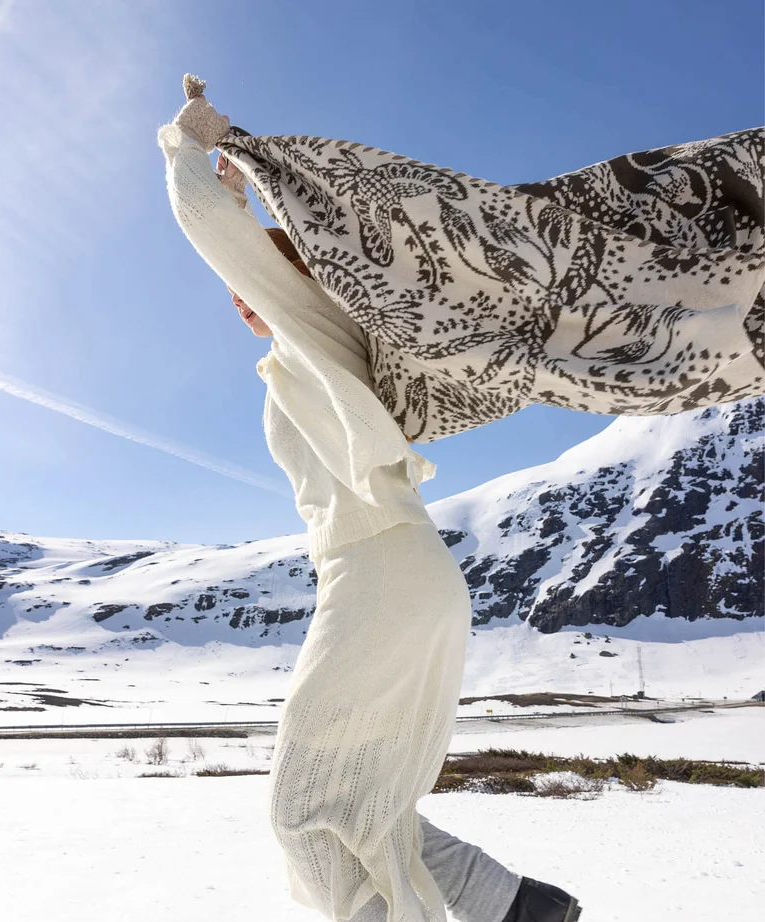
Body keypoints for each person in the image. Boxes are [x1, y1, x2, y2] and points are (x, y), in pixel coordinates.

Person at [158, 90, 582, 922]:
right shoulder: (315, 348)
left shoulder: (318, 325)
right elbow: (244, 245)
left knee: (302, 810)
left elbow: (212, 232)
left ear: (298, 276)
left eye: (263, 278)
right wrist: (241, 186)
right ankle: (516, 908)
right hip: (398, 569)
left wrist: (184, 148)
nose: (243, 298)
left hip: (380, 567)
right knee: (363, 805)